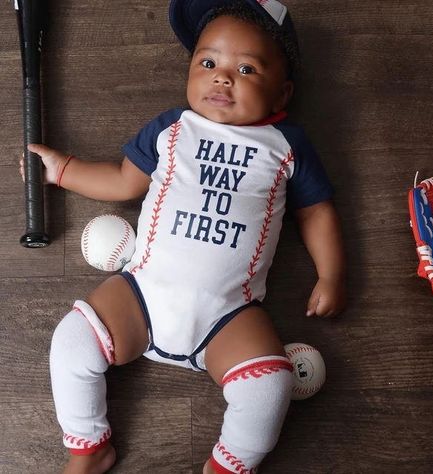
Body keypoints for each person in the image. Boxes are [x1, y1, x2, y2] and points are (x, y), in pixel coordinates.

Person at [21, 0, 346, 472]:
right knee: (72, 339)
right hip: (143, 292)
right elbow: (121, 181)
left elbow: (316, 213)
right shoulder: (174, 128)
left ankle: (228, 464)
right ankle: (89, 446)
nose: (222, 77)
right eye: (208, 62)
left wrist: (332, 275)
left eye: (247, 68)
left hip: (229, 314)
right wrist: (63, 171)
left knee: (271, 384)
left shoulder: (286, 146)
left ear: (282, 95)